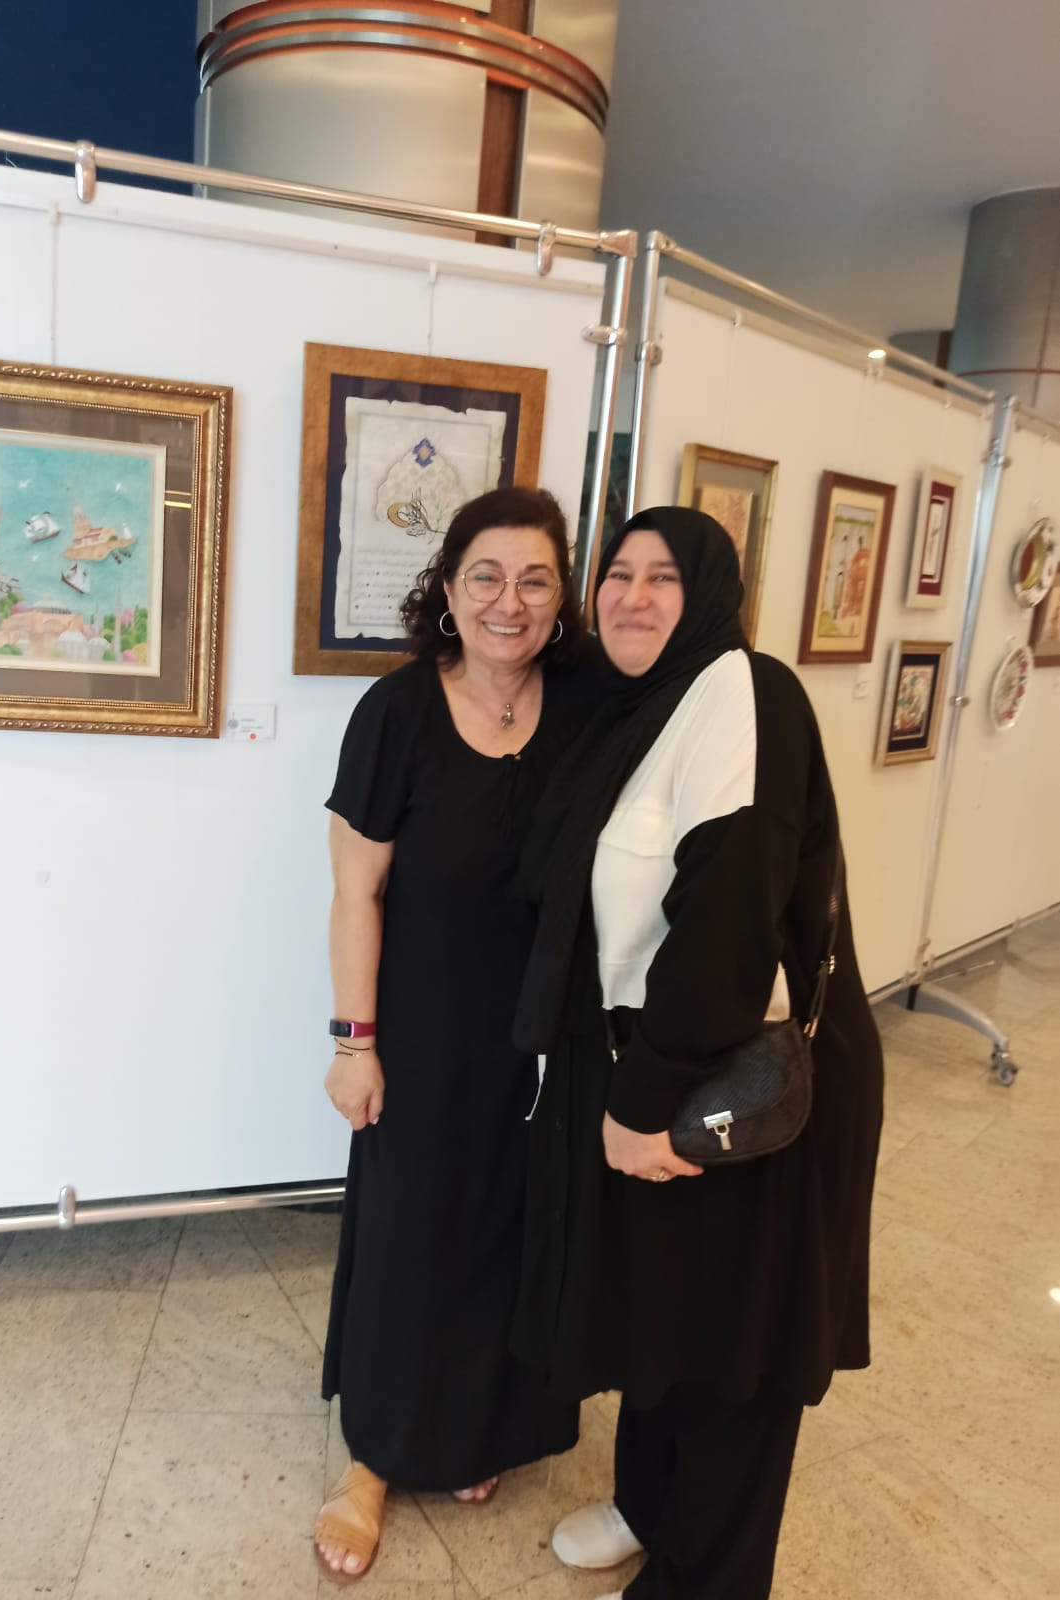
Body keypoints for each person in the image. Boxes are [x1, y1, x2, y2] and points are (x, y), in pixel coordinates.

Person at [510, 506, 884, 1600]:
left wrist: (644, 1098)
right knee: (665, 1309)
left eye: (663, 576)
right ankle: (650, 1505)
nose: (631, 596)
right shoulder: (641, 709)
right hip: (663, 1058)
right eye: (617, 573)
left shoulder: (744, 690)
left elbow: (727, 919)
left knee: (732, 1349)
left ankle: (706, 1577)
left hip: (735, 1076)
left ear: (713, 592)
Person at [315, 486, 594, 1581]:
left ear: (561, 597)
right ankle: (373, 1460)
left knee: (512, 1233)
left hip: (547, 1035)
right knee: (407, 1238)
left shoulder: (583, 708)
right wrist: (354, 1043)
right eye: (485, 575)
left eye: (534, 579)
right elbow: (355, 892)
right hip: (423, 1034)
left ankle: (476, 1429)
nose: (507, 601)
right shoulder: (396, 713)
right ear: (447, 585)